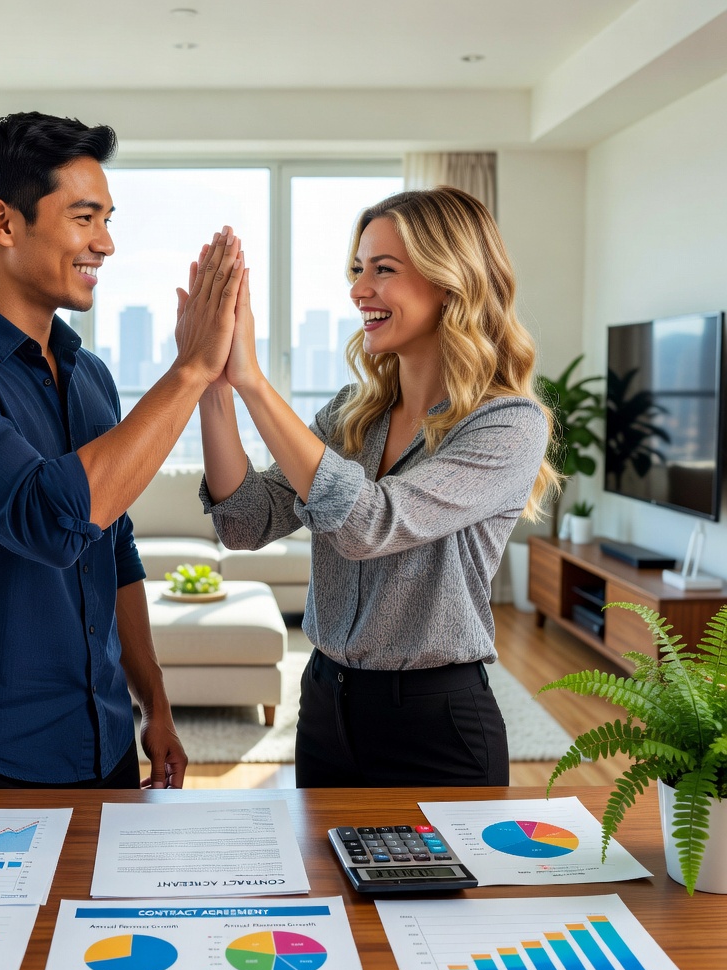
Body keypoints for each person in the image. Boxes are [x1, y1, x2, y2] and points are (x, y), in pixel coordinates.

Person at [0, 111, 244, 789]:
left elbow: (114, 541)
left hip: (104, 744)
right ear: (4, 223)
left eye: (108, 220)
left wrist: (153, 701)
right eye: (84, 218)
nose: (105, 243)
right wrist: (190, 370)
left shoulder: (89, 374)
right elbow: (52, 520)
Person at [196, 186, 559, 788]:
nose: (358, 289)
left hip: (436, 725)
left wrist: (254, 381)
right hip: (324, 707)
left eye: (383, 270)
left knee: (429, 889)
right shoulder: (352, 415)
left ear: (450, 281)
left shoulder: (506, 423)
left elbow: (371, 524)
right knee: (329, 885)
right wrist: (214, 381)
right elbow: (244, 522)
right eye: (358, 269)